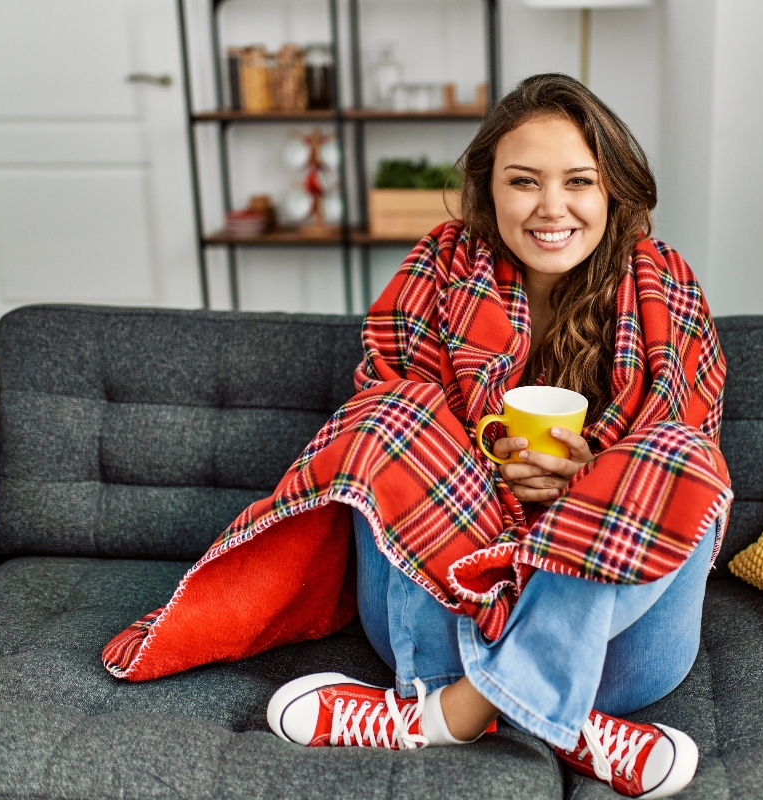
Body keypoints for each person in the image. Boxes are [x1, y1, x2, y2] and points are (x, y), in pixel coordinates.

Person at [264, 74, 729, 800]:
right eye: (524, 181)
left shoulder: (663, 284)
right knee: (391, 420)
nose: (552, 207)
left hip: (619, 647)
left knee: (679, 458)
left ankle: (453, 713)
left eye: (579, 180)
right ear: (489, 190)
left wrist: (590, 480)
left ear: (614, 193)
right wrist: (483, 474)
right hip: (445, 605)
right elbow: (380, 429)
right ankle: (562, 722)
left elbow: (685, 442)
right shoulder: (439, 269)